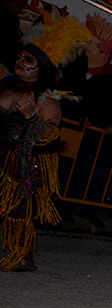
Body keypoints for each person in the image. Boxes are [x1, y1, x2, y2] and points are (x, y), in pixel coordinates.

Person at [0, 21, 91, 271]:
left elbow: (52, 135)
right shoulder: (5, 89)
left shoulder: (47, 101)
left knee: (17, 211)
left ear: (41, 68)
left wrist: (31, 116)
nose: (21, 63)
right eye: (20, 57)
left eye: (29, 60)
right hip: (3, 157)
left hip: (27, 164)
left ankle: (22, 256)